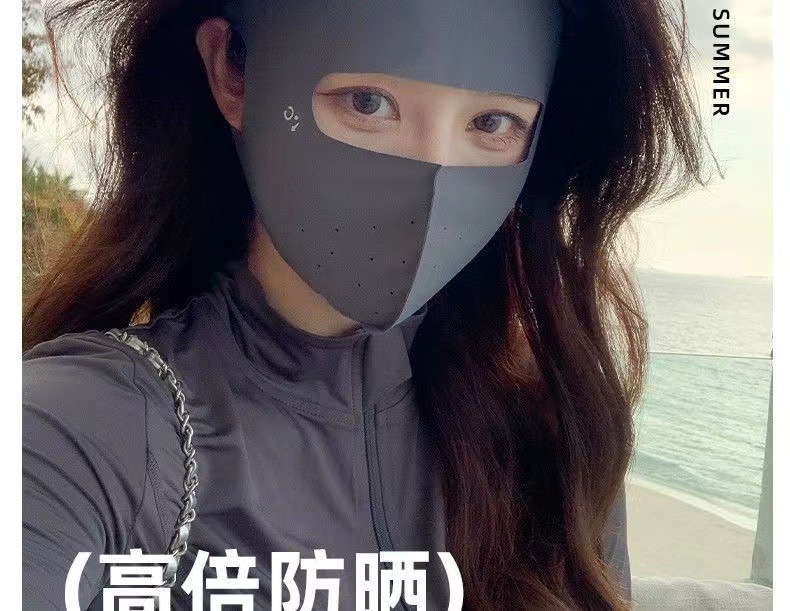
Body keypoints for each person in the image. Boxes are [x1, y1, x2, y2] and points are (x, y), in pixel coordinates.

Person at [22, 0, 708, 608]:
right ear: (232, 71)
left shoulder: (554, 440)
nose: (429, 185)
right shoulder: (83, 427)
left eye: (491, 121)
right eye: (368, 103)